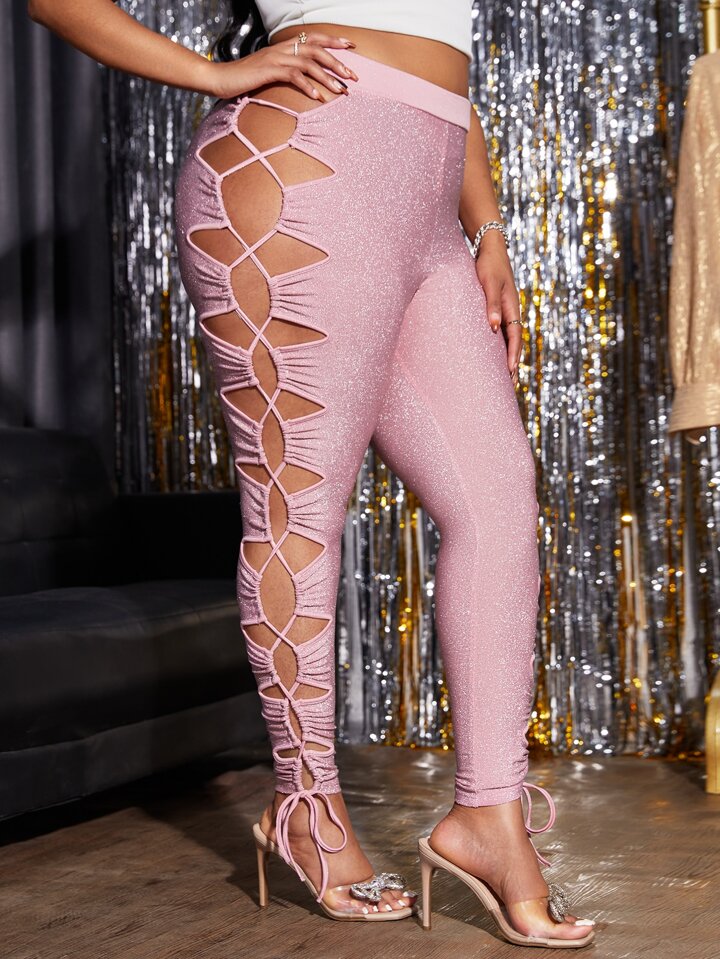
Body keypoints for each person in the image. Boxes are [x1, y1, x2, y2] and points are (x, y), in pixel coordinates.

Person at [27, 0, 598, 946]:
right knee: (300, 510)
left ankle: (490, 816)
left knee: (498, 504)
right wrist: (214, 75)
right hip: (296, 168)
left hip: (427, 199)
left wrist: (487, 226)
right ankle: (307, 805)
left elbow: (443, 54)